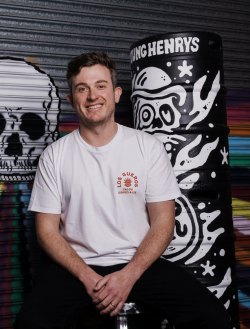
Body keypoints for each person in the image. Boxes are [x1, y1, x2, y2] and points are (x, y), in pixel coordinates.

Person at [14, 52, 231, 329]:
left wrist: (128, 275)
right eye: (83, 88)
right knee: (30, 323)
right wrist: (89, 278)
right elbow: (46, 232)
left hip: (138, 263)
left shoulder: (147, 147)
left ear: (116, 94)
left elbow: (164, 223)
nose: (93, 96)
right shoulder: (55, 155)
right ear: (71, 99)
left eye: (100, 86)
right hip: (77, 267)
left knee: (213, 318)